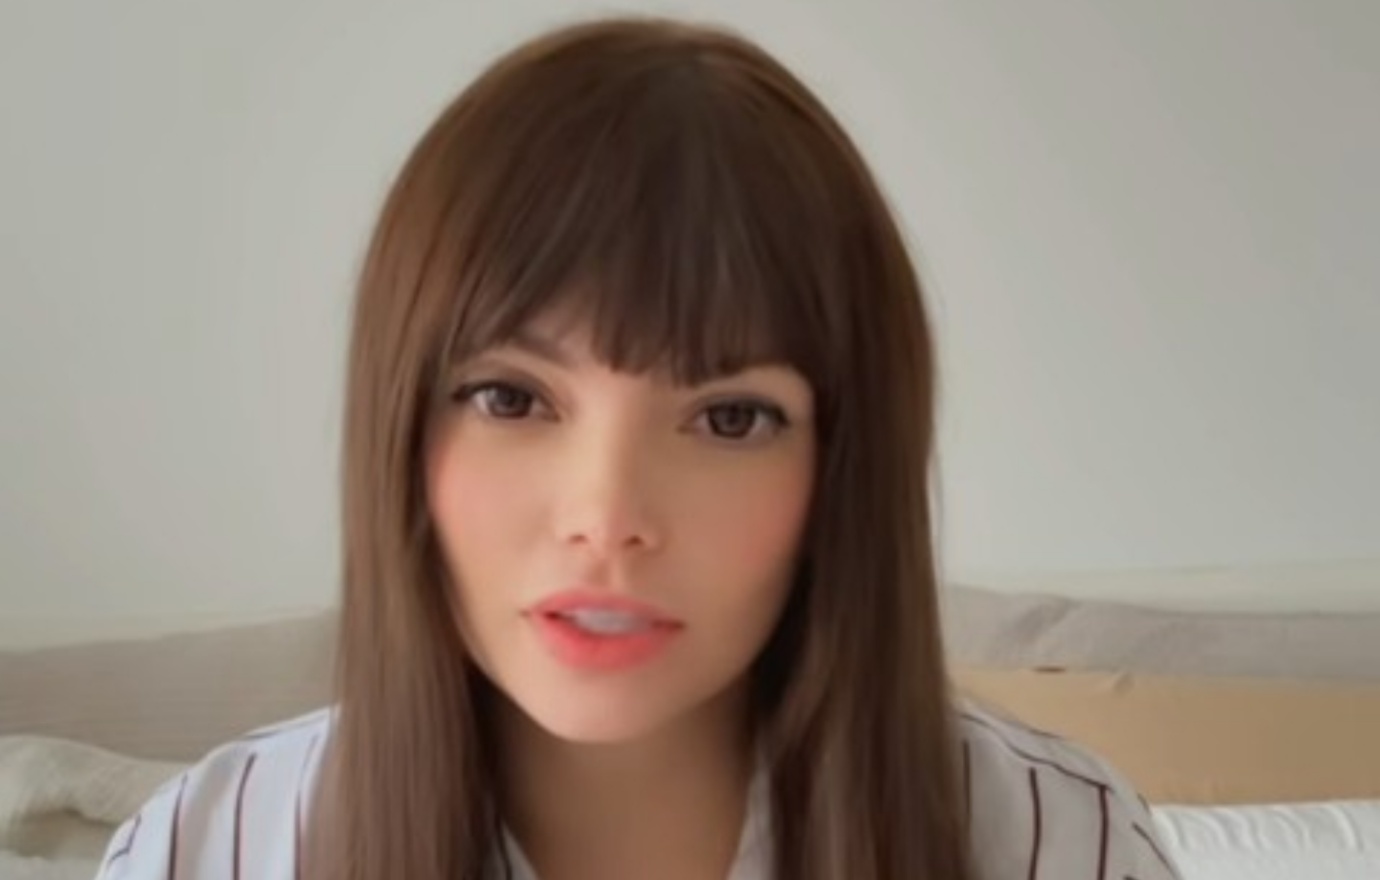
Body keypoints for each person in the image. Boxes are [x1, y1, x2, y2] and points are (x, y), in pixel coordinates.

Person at [94, 16, 1181, 880]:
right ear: (401, 431)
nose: (606, 517)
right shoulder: (207, 851)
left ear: (840, 471)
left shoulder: (1058, 847)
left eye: (729, 418)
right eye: (511, 398)